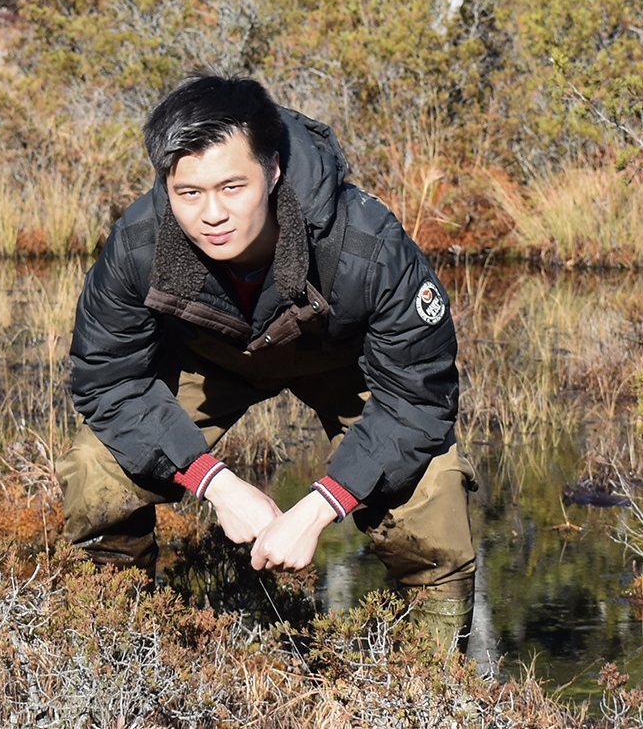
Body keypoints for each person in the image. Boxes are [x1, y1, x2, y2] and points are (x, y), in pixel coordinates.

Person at [58, 74, 477, 649]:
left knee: (431, 486)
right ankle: (112, 655)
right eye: (189, 193)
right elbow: (110, 384)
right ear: (167, 184)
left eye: (233, 187)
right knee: (98, 463)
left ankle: (434, 678)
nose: (211, 214)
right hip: (210, 358)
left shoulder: (367, 245)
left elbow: (419, 400)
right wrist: (216, 484)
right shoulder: (137, 244)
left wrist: (323, 504)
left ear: (273, 171)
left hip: (339, 360)